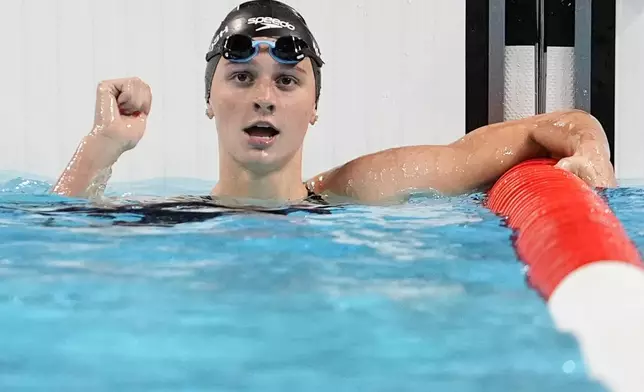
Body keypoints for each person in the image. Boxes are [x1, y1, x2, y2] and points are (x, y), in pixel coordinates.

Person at [51, 0, 616, 206]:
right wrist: (103, 146)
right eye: (242, 78)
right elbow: (56, 234)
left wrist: (590, 148)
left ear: (315, 104)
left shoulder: (361, 187)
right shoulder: (168, 218)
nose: (264, 99)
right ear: (209, 101)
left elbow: (553, 127)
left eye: (288, 81)